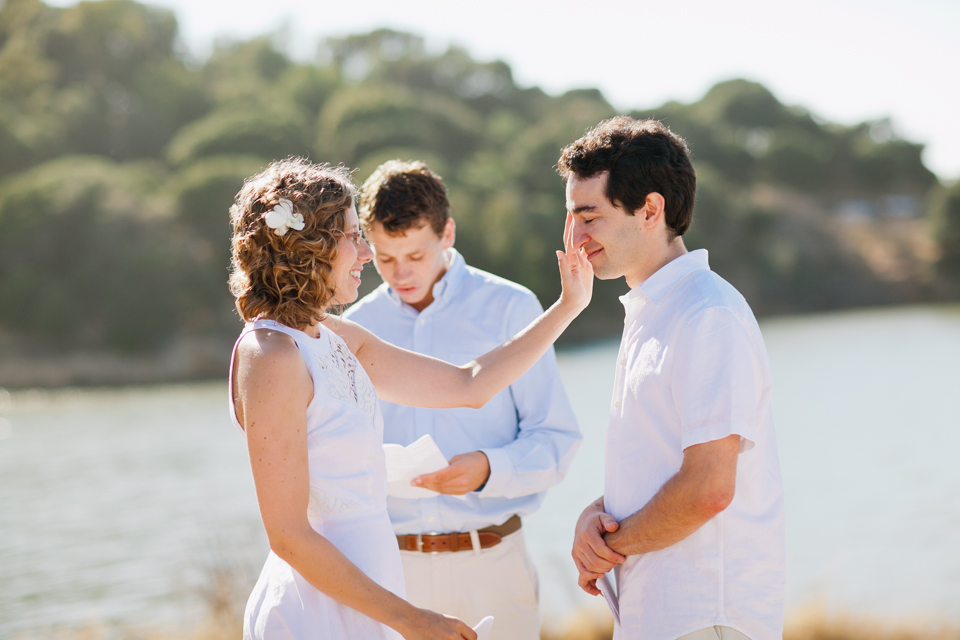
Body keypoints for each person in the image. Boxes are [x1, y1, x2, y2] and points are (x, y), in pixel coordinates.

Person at [227, 158, 592, 640]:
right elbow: (289, 536)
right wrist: (410, 618)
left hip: (374, 593)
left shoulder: (335, 335)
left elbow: (469, 385)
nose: (364, 254)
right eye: (354, 237)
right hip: (321, 607)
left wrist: (568, 307)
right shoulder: (270, 355)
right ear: (310, 248)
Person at [561, 117, 785, 640]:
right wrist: (597, 517)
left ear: (650, 209)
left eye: (588, 216)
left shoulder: (706, 314)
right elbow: (661, 467)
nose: (575, 236)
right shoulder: (653, 311)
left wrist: (609, 547)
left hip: (704, 617)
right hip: (663, 615)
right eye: (572, 216)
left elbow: (708, 487)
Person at [343, 160, 581, 640]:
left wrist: (489, 468)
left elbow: (556, 440)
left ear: (447, 233)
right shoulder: (355, 327)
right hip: (393, 574)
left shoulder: (512, 307)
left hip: (493, 565)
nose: (401, 273)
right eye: (386, 259)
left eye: (415, 255)